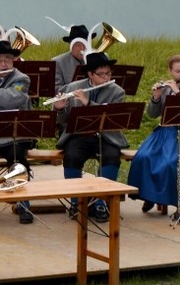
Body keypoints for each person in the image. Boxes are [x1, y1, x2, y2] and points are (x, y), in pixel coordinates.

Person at [128, 54, 180, 215]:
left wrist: (178, 92)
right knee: (143, 158)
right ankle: (150, 196)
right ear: (170, 72)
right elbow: (152, 114)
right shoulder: (165, 88)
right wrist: (156, 97)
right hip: (165, 134)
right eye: (178, 71)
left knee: (169, 165)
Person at [52, 50, 127, 223]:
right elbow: (63, 121)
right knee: (72, 156)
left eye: (108, 74)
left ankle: (102, 201)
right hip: (79, 135)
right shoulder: (72, 87)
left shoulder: (117, 92)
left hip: (106, 135)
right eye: (101, 74)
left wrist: (88, 104)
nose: (106, 78)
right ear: (90, 74)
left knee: (111, 156)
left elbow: (113, 119)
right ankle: (76, 202)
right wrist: (60, 108)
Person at [0, 39, 35, 224]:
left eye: (7, 59)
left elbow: (12, 98)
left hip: (13, 136)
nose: (3, 63)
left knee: (18, 159)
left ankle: (24, 205)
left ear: (13, 60)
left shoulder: (21, 78)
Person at [52, 24, 92, 94]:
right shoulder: (58, 62)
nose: (82, 48)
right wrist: (79, 87)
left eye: (85, 43)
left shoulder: (99, 58)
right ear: (71, 45)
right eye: (78, 45)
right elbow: (56, 89)